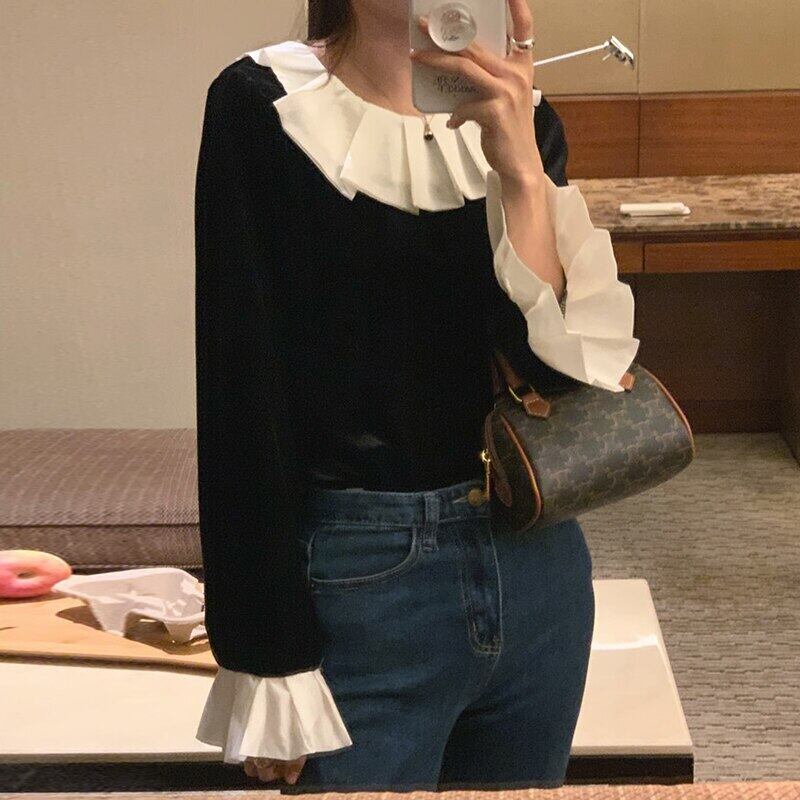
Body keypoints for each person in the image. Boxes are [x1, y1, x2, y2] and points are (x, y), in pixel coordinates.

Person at [192, 0, 639, 792]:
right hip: (362, 580)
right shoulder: (264, 107)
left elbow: (559, 379)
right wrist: (266, 651)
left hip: (536, 564)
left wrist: (522, 174)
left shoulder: (520, 114)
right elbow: (242, 393)